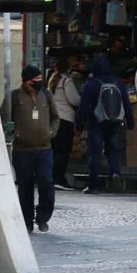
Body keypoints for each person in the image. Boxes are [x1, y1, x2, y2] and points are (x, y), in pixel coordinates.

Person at [3, 65, 58, 233]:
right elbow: (3, 118)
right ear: (27, 82)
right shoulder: (15, 97)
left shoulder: (46, 95)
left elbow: (56, 117)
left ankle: (43, 217)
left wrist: (51, 132)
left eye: (40, 80)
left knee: (46, 182)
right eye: (35, 81)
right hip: (22, 150)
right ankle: (26, 220)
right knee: (25, 186)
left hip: (44, 148)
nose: (39, 83)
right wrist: (14, 133)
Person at [76, 56, 135, 194]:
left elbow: (83, 107)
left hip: (96, 122)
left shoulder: (92, 84)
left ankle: (93, 185)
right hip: (115, 122)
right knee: (114, 150)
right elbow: (126, 103)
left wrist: (78, 125)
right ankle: (115, 173)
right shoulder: (118, 83)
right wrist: (130, 122)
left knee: (95, 153)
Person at [50, 58, 82, 191]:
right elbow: (74, 100)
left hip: (54, 119)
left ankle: (52, 177)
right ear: (68, 69)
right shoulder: (66, 81)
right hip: (65, 119)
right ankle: (59, 179)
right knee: (63, 151)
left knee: (55, 150)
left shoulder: (52, 80)